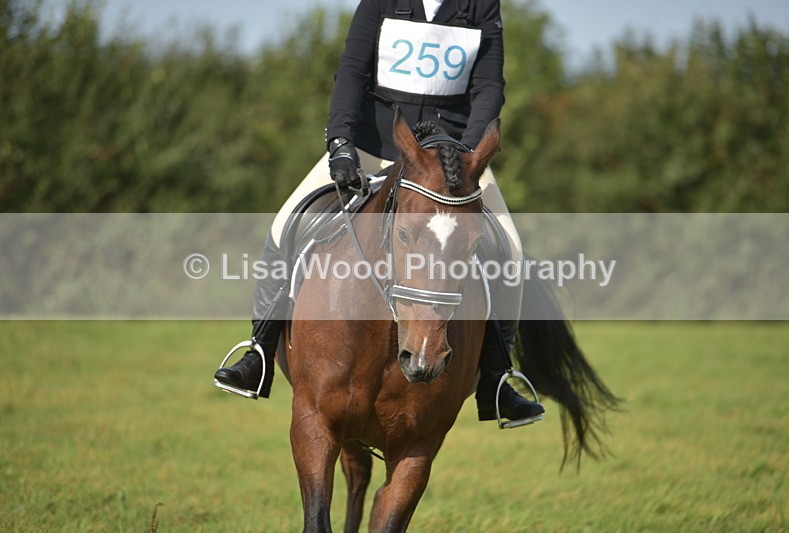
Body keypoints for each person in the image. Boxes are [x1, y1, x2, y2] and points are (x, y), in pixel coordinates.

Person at [214, 0, 544, 425]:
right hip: (375, 145)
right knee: (285, 224)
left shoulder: (480, 4)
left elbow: (488, 88)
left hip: (449, 159)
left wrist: (464, 160)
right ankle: (258, 350)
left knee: (510, 249)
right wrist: (341, 143)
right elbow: (352, 70)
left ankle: (497, 379)